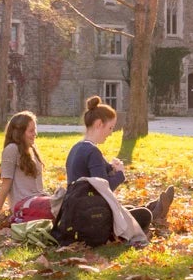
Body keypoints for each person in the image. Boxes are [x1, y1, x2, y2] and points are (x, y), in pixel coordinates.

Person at [64, 96, 177, 235]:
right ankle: (153, 213)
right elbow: (104, 190)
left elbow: (93, 179)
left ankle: (153, 208)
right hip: (91, 217)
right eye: (110, 127)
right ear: (99, 124)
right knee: (144, 215)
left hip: (76, 212)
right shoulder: (93, 151)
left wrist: (110, 167)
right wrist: (119, 174)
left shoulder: (76, 148)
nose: (111, 133)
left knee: (128, 208)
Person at [0, 110, 51, 221]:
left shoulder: (32, 150)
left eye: (35, 130)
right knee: (62, 203)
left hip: (38, 201)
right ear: (19, 133)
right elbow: (6, 185)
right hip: (23, 206)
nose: (35, 134)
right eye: (31, 131)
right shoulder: (11, 149)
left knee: (68, 200)